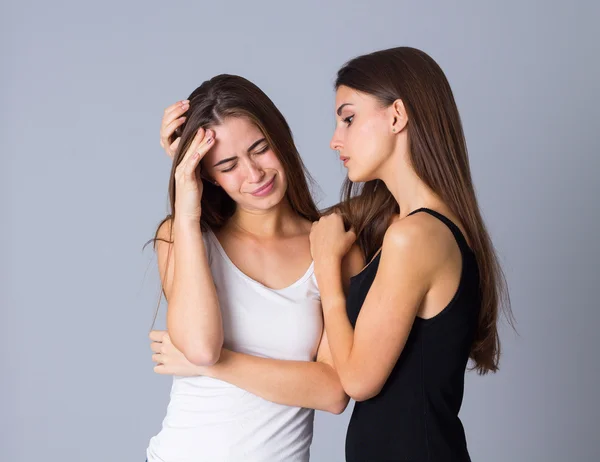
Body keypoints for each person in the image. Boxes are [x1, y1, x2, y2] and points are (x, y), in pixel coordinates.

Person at [308, 46, 512, 461]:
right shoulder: (405, 231)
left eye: (348, 119)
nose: (335, 140)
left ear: (397, 116)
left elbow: (359, 382)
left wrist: (328, 268)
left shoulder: (415, 237)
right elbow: (331, 362)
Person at [145, 74, 363, 462]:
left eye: (260, 149)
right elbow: (199, 345)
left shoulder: (331, 248)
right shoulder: (183, 237)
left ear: (279, 137)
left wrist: (216, 366)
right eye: (228, 165)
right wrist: (187, 204)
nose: (254, 174)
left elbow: (333, 391)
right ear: (208, 175)